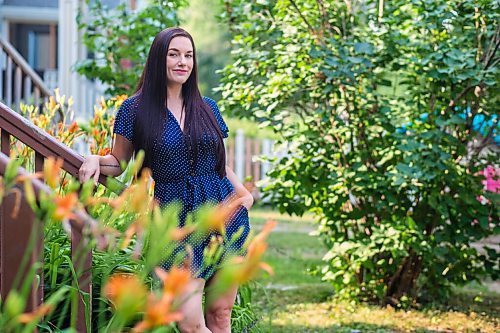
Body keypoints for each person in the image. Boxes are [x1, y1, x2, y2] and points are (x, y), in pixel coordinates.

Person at [78, 27, 254, 333]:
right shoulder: (134, 109)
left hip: (225, 214)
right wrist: (94, 159)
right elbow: (118, 162)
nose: (182, 62)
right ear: (159, 59)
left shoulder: (207, 107)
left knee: (221, 314)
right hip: (177, 222)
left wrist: (243, 195)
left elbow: (219, 163)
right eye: (174, 54)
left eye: (188, 55)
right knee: (189, 323)